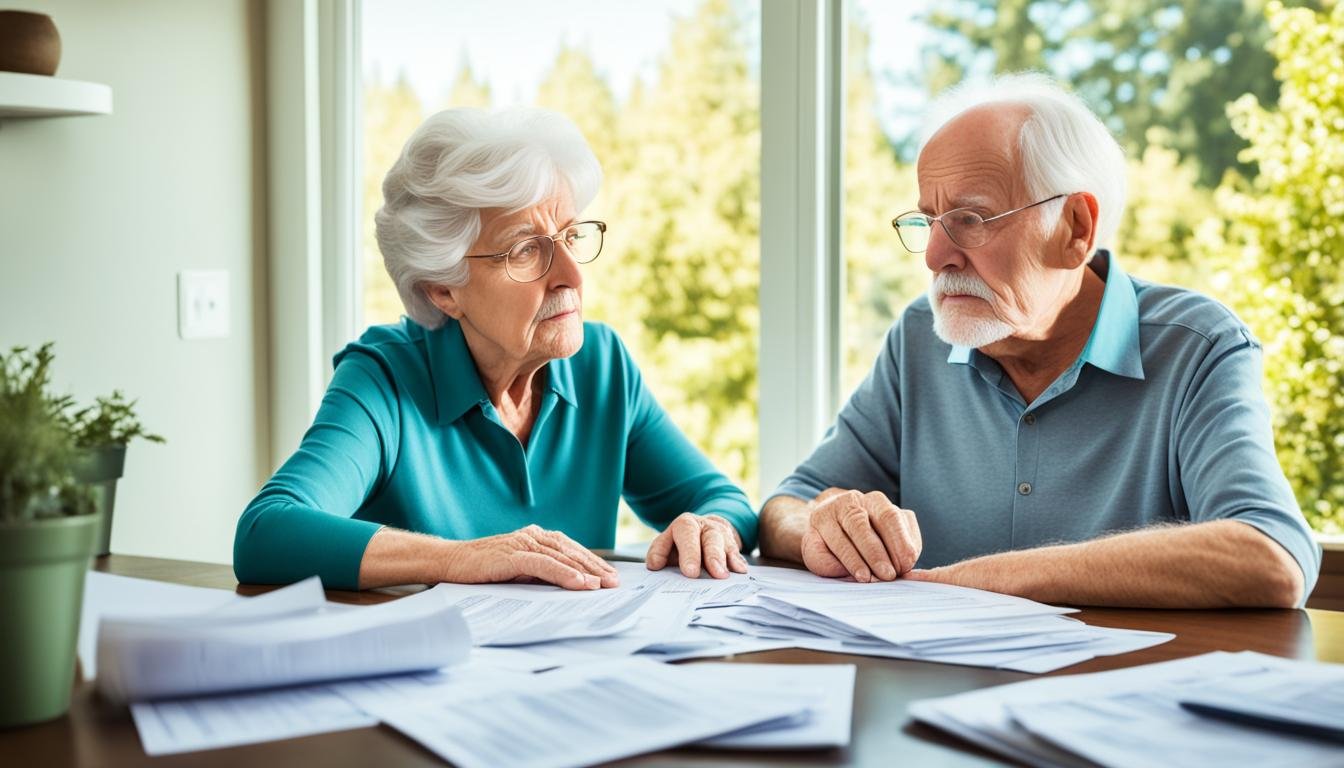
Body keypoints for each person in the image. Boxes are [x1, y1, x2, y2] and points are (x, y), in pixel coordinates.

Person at [758, 74, 1320, 608]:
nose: (934, 256)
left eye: (971, 219)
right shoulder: (917, 339)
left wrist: (979, 581)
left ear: (1075, 228)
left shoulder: (1198, 346)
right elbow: (787, 504)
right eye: (928, 220)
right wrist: (824, 522)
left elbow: (1271, 556)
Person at [234, 108, 754, 591]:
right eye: (526, 249)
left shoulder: (601, 366)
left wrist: (709, 525)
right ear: (444, 288)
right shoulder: (385, 379)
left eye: (570, 236)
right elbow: (267, 531)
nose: (571, 276)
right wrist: (461, 558)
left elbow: (728, 503)